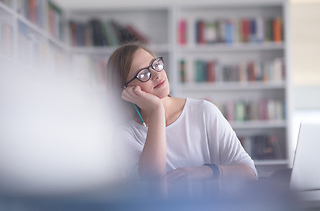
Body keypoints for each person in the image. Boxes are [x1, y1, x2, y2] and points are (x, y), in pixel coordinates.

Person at [106, 42, 257, 182]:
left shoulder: (203, 112)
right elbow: (152, 179)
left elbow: (250, 173)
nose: (156, 74)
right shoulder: (125, 133)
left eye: (155, 64)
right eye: (143, 74)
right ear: (126, 90)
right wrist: (157, 110)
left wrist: (208, 171)